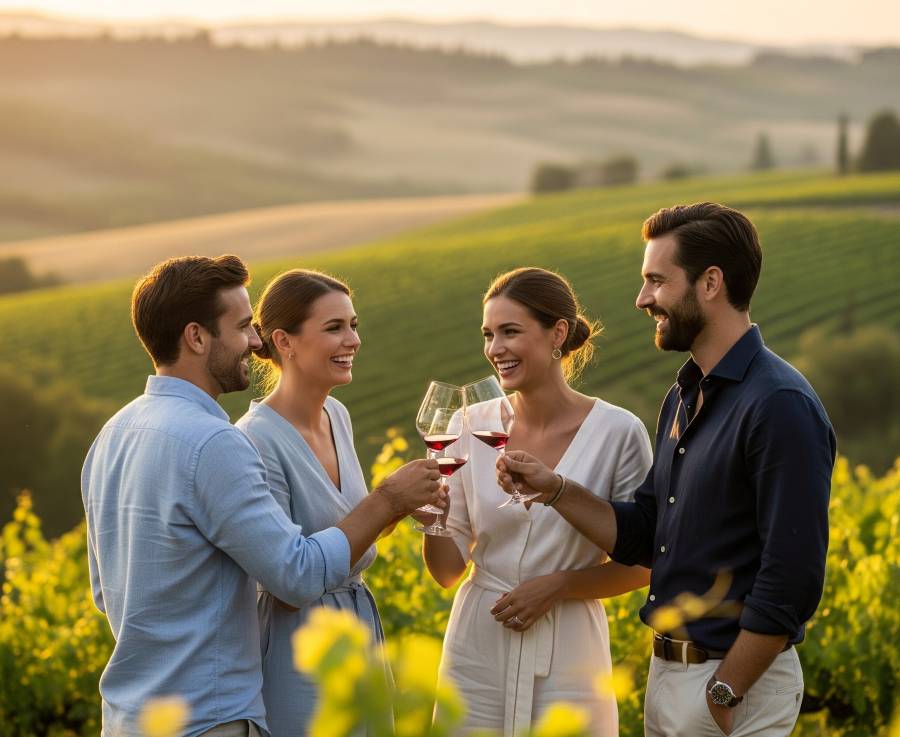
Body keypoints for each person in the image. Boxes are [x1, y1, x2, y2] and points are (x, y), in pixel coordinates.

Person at [497, 204, 835, 737]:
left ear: (710, 283)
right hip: (672, 678)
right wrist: (556, 489)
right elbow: (645, 535)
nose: (642, 298)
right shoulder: (683, 396)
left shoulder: (779, 403)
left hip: (732, 687)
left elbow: (792, 577)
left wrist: (725, 691)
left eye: (657, 280)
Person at [81, 255, 443, 737]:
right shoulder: (215, 442)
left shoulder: (114, 432)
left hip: (132, 718)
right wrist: (386, 502)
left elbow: (106, 593)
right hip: (210, 717)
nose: (254, 342)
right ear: (196, 337)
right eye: (243, 327)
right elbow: (295, 576)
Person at [422, 267, 653, 736]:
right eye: (488, 334)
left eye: (510, 332)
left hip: (571, 650)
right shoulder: (470, 423)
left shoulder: (619, 432)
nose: (494, 349)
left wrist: (559, 585)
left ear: (558, 334)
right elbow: (448, 572)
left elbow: (644, 564)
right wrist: (432, 518)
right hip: (477, 646)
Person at [235, 269, 392, 737]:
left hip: (359, 628)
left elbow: (347, 529)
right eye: (334, 328)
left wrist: (400, 511)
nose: (353, 340)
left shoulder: (336, 414)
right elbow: (287, 581)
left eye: (354, 325)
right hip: (300, 645)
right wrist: (387, 501)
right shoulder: (255, 440)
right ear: (284, 341)